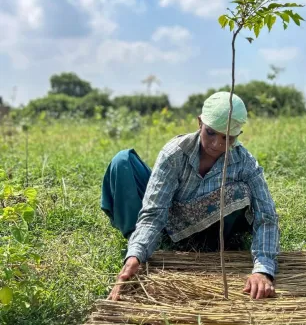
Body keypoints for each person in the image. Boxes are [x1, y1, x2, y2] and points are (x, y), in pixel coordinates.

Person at [102, 91, 279, 301]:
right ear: (199, 123)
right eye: (211, 133)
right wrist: (135, 255)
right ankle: (138, 240)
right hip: (170, 218)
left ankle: (210, 243)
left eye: (227, 138)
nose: (216, 144)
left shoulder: (245, 163)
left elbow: (266, 217)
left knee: (242, 190)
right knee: (122, 161)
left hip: (212, 229)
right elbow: (154, 211)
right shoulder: (175, 153)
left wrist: (263, 270)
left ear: (237, 136)